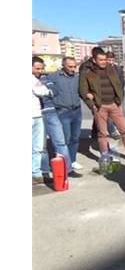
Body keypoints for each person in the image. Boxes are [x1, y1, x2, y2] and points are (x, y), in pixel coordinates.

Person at [79, 49, 125, 162]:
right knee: (102, 134)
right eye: (101, 60)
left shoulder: (111, 69)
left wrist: (119, 100)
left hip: (114, 105)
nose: (104, 62)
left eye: (105, 60)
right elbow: (83, 91)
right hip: (99, 107)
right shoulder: (87, 73)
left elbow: (119, 84)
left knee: (124, 130)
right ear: (94, 60)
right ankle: (105, 156)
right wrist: (92, 105)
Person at [39, 60, 82, 178]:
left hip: (77, 110)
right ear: (63, 66)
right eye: (70, 67)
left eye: (74, 67)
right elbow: (49, 91)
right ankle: (62, 164)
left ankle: (72, 161)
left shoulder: (77, 77)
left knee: (75, 138)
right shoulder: (54, 77)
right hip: (62, 111)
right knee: (64, 139)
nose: (73, 69)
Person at [80, 47, 120, 145]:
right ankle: (111, 131)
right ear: (94, 57)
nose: (104, 61)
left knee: (98, 118)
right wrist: (90, 102)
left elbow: (118, 81)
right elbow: (83, 86)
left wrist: (118, 97)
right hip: (95, 98)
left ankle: (94, 133)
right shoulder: (86, 67)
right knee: (102, 116)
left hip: (110, 98)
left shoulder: (108, 66)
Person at [32, 56, 52, 185]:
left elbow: (44, 90)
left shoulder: (35, 79)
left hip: (37, 114)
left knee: (38, 147)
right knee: (35, 147)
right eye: (37, 68)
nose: (40, 71)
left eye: (41, 68)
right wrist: (46, 90)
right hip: (31, 115)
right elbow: (42, 91)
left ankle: (35, 174)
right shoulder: (31, 79)